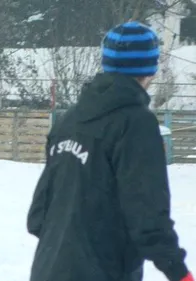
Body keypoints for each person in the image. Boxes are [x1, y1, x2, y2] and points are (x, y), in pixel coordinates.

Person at [26, 21, 193, 281]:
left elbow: (38, 216)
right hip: (103, 271)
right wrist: (179, 272)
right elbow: (147, 213)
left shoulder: (70, 120)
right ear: (150, 69)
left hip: (49, 269)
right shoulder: (136, 123)